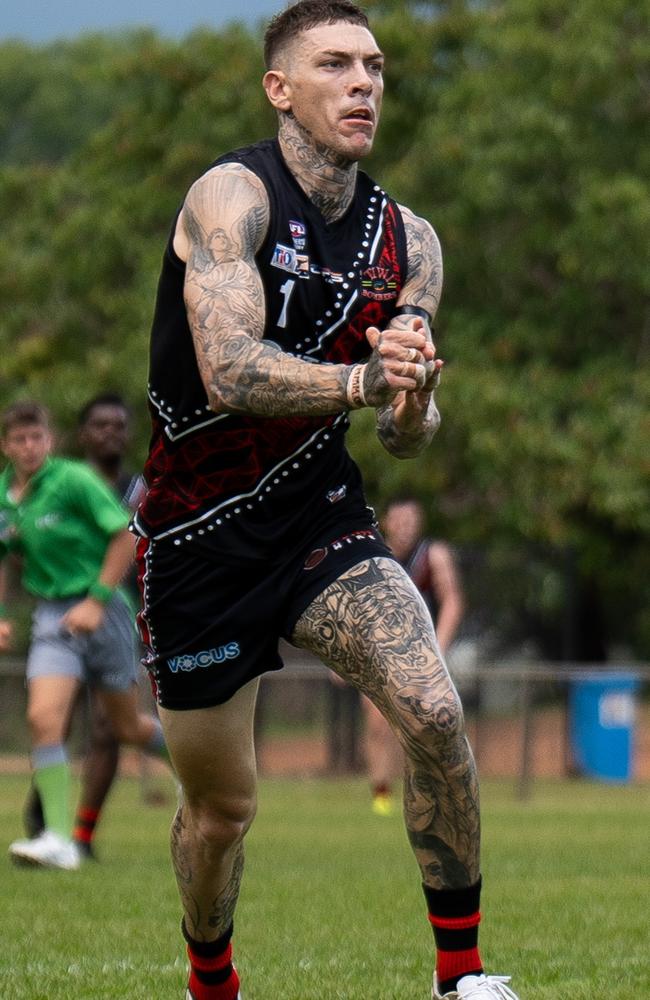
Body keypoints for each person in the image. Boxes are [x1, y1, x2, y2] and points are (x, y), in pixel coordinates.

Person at [132, 2, 520, 997]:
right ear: (279, 89)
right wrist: (358, 381)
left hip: (317, 519)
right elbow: (227, 370)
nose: (363, 84)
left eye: (375, 67)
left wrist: (413, 391)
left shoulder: (410, 243)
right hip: (199, 542)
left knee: (431, 708)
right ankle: (211, 978)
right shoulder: (231, 197)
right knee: (222, 813)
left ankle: (461, 976)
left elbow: (401, 434)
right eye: (336, 64)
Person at [0, 401, 167, 871]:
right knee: (42, 719)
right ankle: (57, 838)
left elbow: (124, 538)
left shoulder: (73, 480)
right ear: (6, 446)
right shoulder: (5, 496)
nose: (29, 447)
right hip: (54, 615)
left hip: (106, 607)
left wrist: (96, 600)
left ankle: (193, 777)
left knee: (125, 727)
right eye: (19, 439)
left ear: (49, 442)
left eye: (37, 438)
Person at [364, 495, 465, 817]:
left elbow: (452, 602)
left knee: (424, 726)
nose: (406, 528)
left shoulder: (433, 556)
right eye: (400, 521)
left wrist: (436, 649)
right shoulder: (374, 555)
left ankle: (430, 793)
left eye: (412, 521)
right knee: (377, 725)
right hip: (380, 653)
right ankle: (381, 796)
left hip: (420, 656)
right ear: (386, 523)